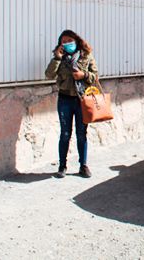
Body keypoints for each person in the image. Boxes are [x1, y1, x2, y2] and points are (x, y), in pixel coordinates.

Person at [45, 30, 98, 179]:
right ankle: (62, 166)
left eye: (69, 40)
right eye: (64, 41)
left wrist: (84, 75)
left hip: (82, 100)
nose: (67, 43)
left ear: (76, 40)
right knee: (65, 134)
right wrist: (57, 58)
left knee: (81, 134)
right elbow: (49, 74)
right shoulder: (59, 58)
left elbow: (95, 76)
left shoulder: (86, 55)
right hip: (65, 100)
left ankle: (83, 165)